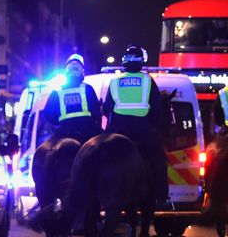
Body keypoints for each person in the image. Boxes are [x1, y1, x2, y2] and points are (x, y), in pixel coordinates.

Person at [102, 45, 169, 206]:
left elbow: (106, 109)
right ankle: (161, 194)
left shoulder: (114, 81)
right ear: (141, 62)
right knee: (158, 158)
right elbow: (157, 108)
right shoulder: (147, 80)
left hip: (118, 129)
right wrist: (153, 125)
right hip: (142, 129)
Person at [42, 53, 101, 144]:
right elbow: (96, 111)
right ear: (82, 72)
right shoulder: (87, 89)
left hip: (65, 132)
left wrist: (59, 123)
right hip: (87, 132)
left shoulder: (57, 91)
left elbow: (48, 114)